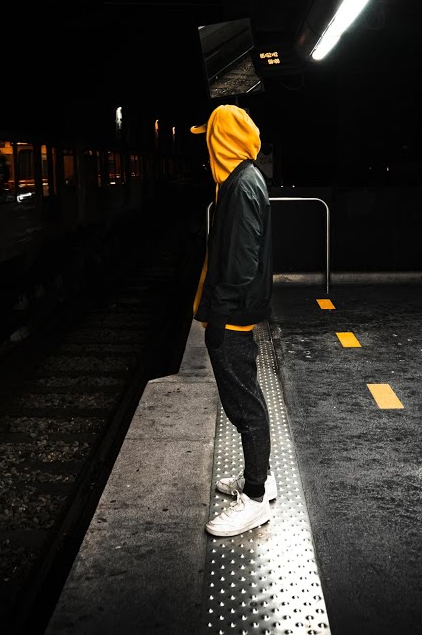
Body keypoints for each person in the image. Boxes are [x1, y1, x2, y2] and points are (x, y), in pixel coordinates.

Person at [191, 104, 275, 537]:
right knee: (247, 400)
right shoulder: (242, 180)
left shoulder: (240, 186)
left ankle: (255, 499)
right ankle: (260, 478)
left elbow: (241, 264)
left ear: (220, 139)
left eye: (208, 138)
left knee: (244, 405)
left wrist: (219, 316)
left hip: (233, 316)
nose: (205, 147)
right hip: (236, 311)